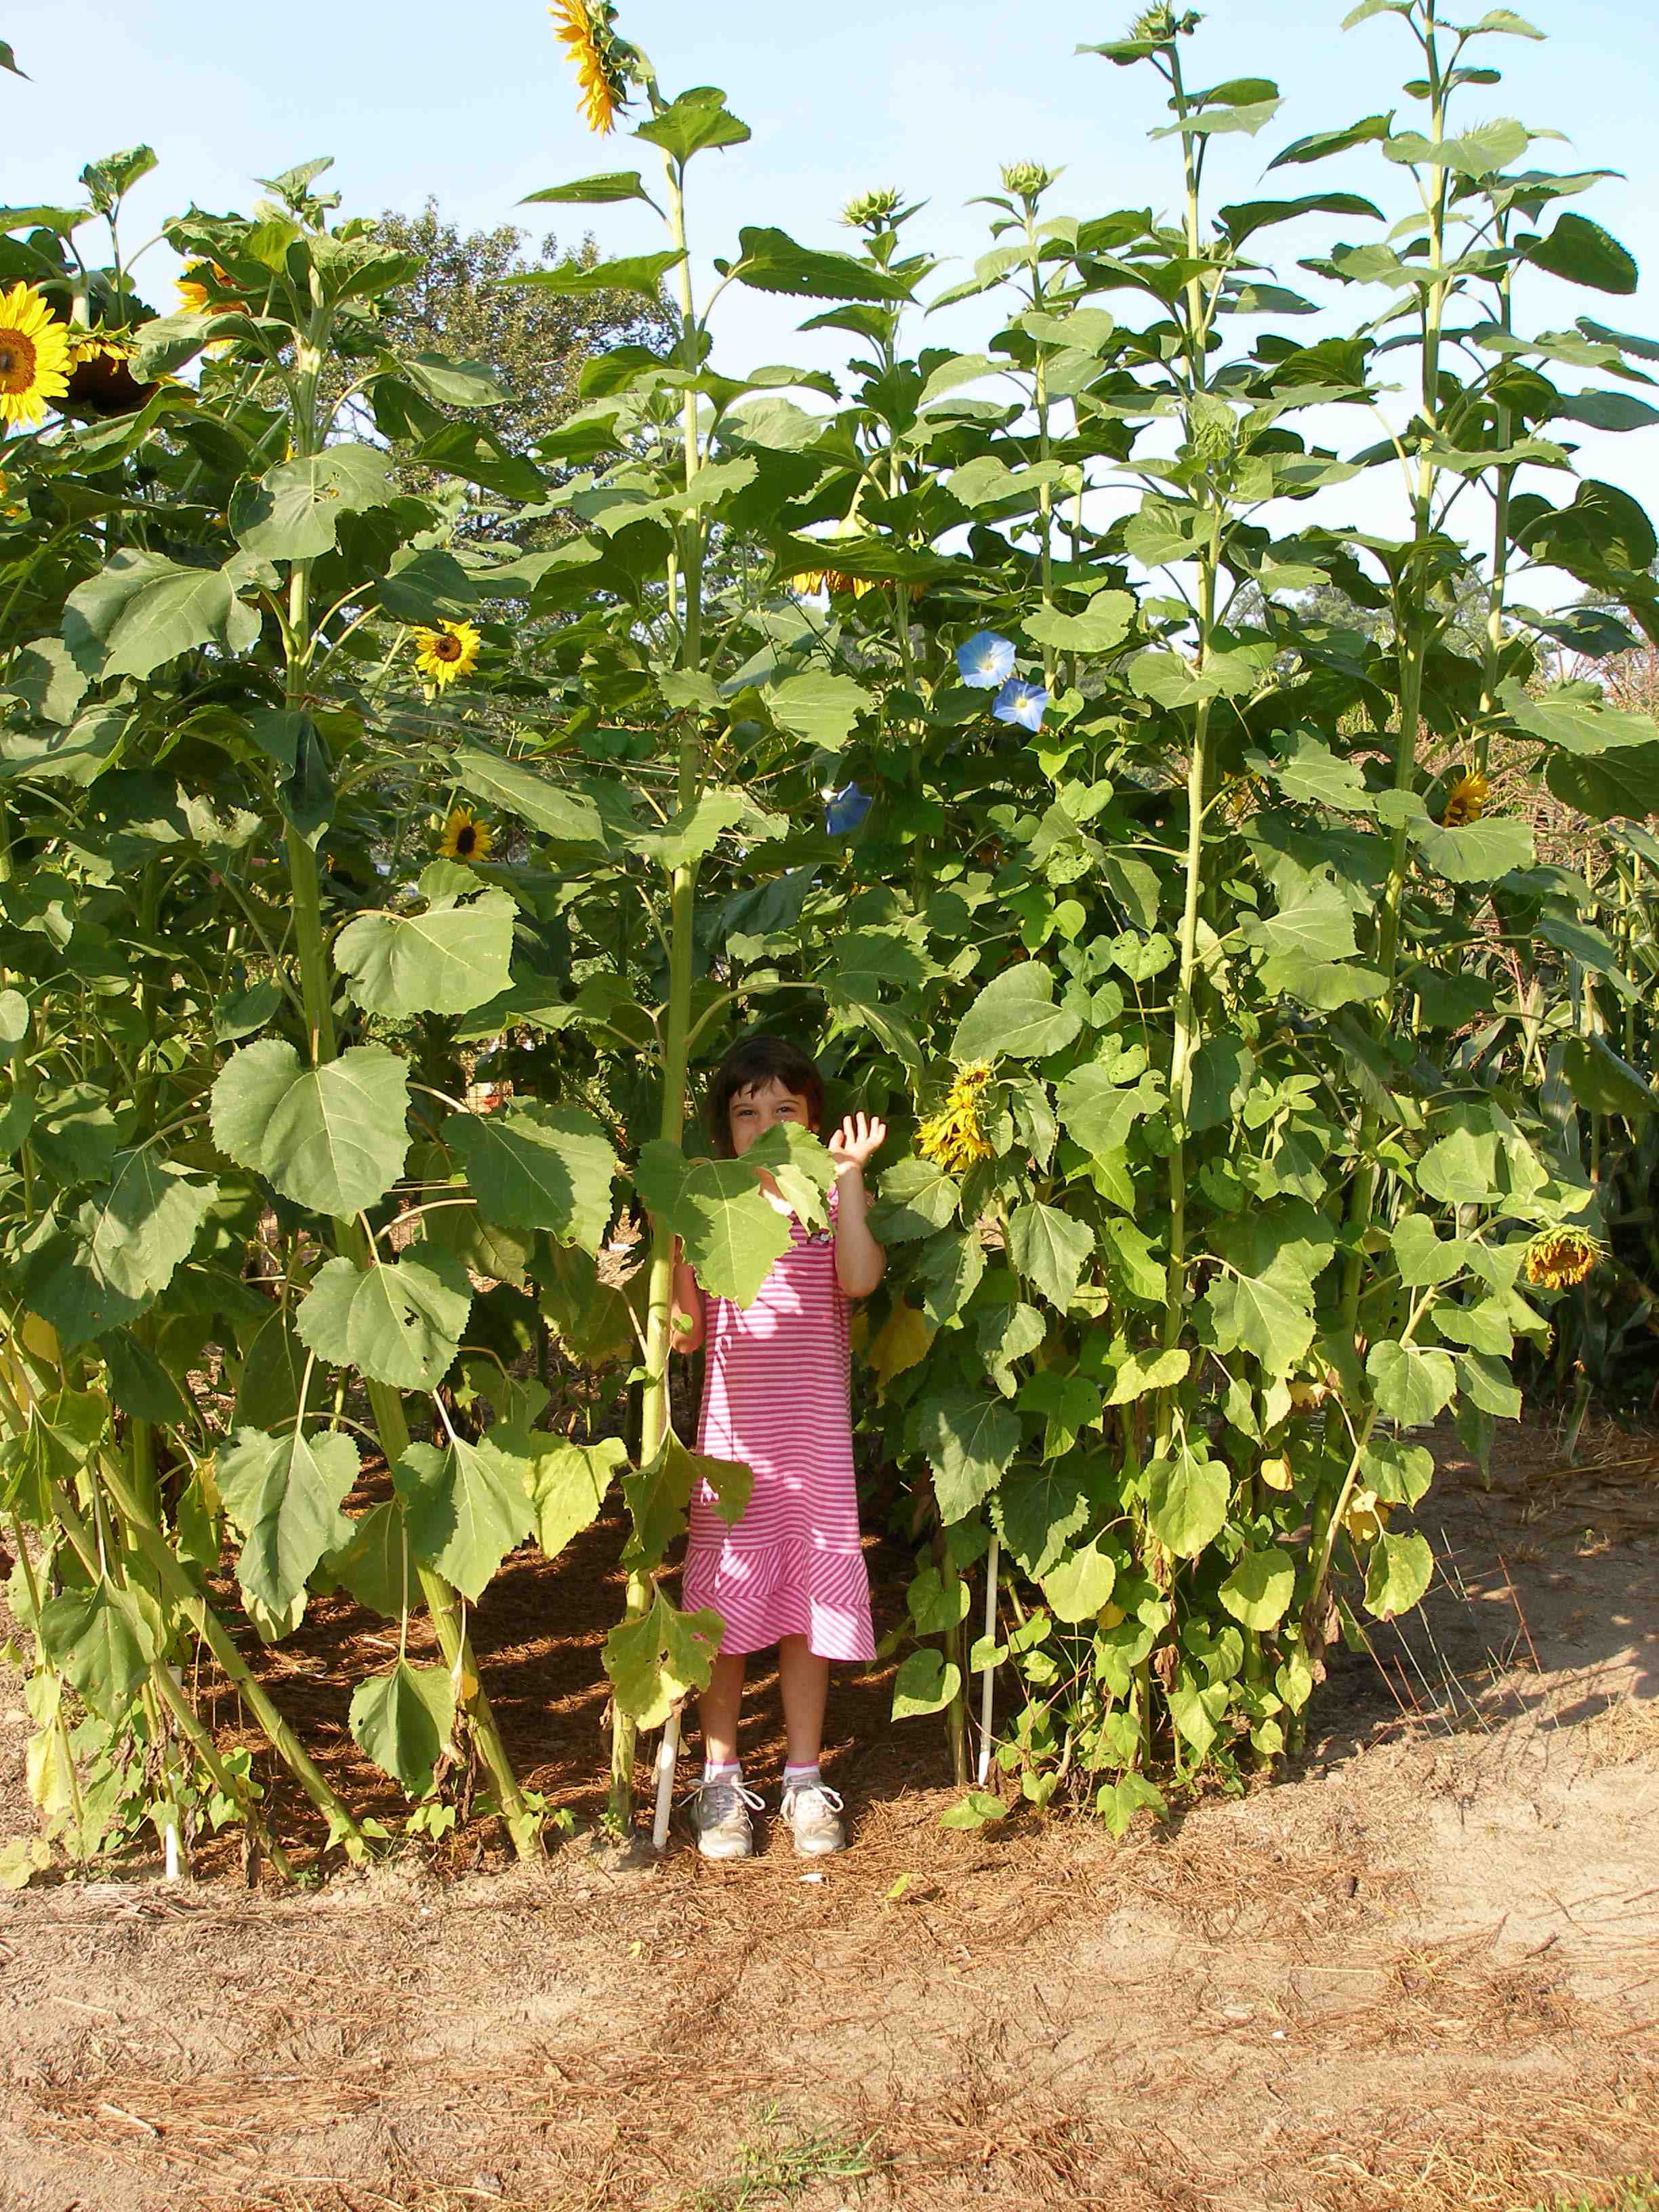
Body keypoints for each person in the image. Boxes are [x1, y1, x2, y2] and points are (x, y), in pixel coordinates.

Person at [670, 1034, 886, 1860]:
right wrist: (671, 1242)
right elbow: (686, 1335)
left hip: (814, 1444)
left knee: (806, 1614)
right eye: (745, 1111)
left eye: (783, 1110)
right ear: (723, 1130)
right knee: (721, 1619)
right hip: (734, 1449)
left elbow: (858, 1279)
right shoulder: (711, 1208)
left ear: (813, 1121)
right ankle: (721, 1780)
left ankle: (802, 1776)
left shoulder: (821, 1200)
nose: (764, 1126)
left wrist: (850, 1178)